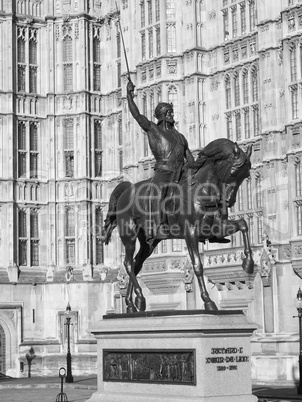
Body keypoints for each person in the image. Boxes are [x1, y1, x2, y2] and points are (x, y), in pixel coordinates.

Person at [127, 80, 203, 241]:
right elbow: (137, 116)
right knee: (159, 191)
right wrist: (129, 96)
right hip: (164, 172)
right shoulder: (153, 130)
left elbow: (191, 160)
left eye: (172, 112)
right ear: (161, 116)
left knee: (203, 189)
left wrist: (206, 163)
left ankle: (209, 222)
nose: (172, 115)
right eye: (168, 113)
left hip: (181, 173)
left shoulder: (180, 137)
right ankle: (159, 225)